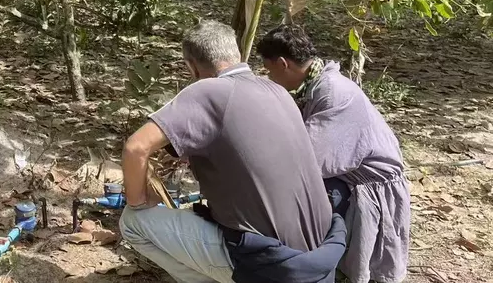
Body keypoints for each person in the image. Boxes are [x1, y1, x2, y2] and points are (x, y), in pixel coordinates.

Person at [120, 21, 346, 283]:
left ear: (192, 66)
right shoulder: (278, 91)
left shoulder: (208, 91)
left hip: (271, 266)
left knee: (132, 221)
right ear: (235, 54)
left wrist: (138, 201)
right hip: (320, 261)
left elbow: (136, 148)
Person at [257, 24, 410, 283]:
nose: (270, 78)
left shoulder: (332, 92)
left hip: (370, 186)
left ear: (283, 64)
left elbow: (308, 160)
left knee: (297, 203)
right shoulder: (316, 85)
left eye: (270, 71)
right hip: (349, 176)